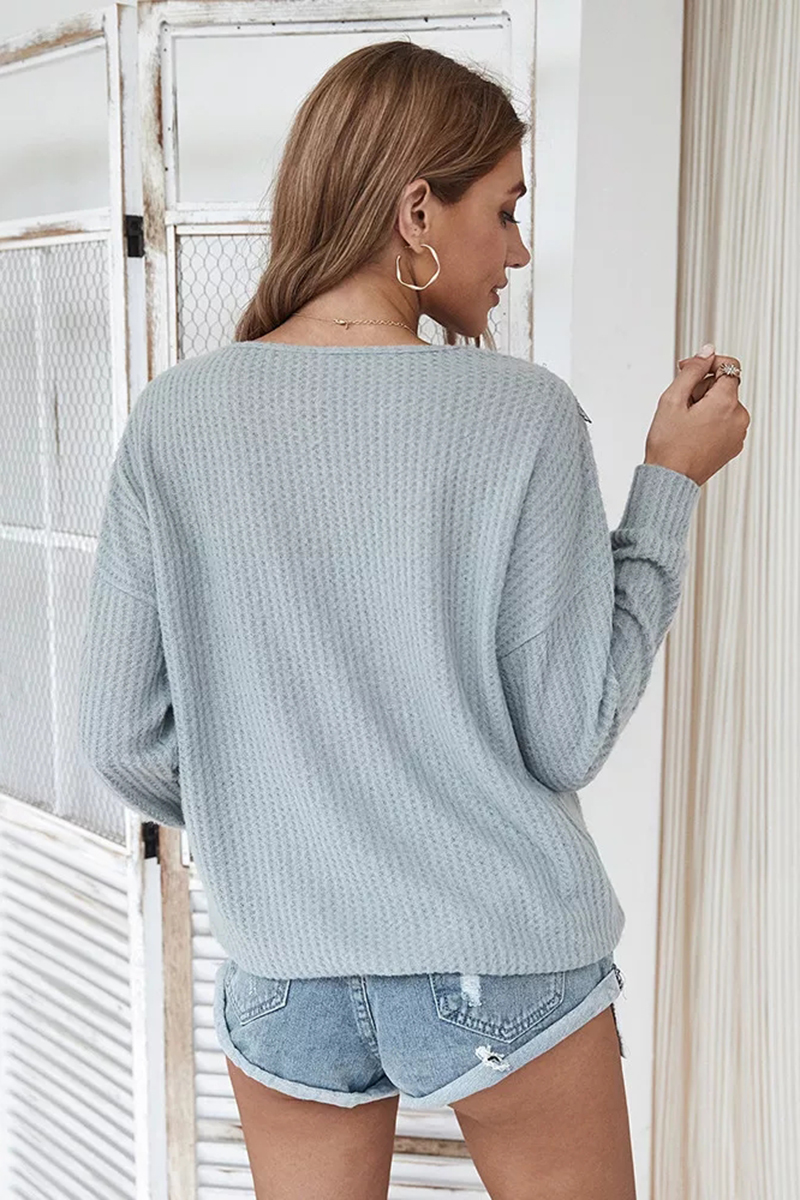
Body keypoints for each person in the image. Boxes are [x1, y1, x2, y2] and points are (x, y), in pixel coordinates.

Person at [78, 40, 749, 1200]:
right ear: (415, 211)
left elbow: (119, 737)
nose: (519, 249)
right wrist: (667, 486)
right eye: (505, 208)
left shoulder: (173, 421)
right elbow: (566, 734)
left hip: (287, 965)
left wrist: (285, 811)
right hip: (505, 955)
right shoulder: (519, 415)